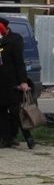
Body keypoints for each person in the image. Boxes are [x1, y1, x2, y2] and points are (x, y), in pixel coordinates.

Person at [0, 17, 32, 149]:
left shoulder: (14, 40)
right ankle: (6, 138)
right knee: (1, 111)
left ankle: (27, 136)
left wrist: (23, 81)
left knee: (15, 111)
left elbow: (19, 62)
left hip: (11, 81)